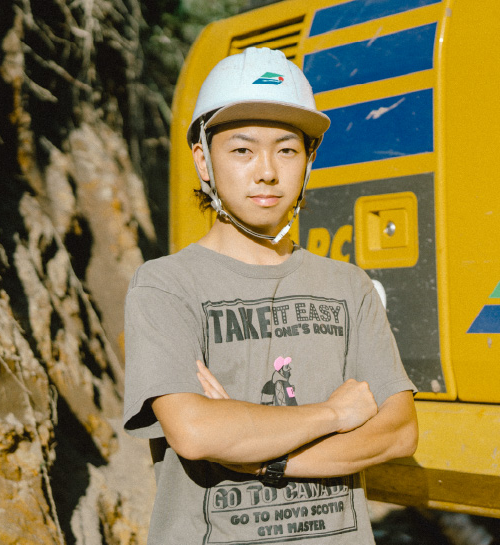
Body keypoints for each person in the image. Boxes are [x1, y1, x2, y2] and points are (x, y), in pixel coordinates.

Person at [122, 47, 418, 544]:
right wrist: (333, 414)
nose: (267, 171)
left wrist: (263, 457)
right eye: (242, 150)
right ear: (203, 160)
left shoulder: (348, 287)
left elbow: (399, 432)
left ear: (308, 161)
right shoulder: (165, 286)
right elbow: (195, 431)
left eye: (287, 150)